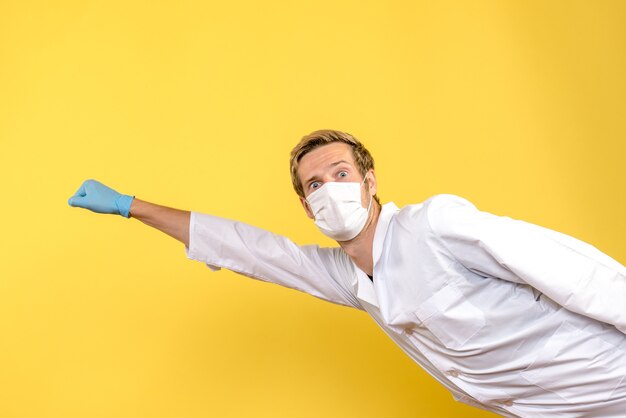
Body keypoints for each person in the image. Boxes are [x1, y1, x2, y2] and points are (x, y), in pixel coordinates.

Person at [68, 129, 626, 417]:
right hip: (551, 409)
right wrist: (132, 206)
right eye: (314, 185)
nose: (329, 188)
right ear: (307, 208)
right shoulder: (350, 278)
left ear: (370, 181)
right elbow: (256, 251)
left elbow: (575, 272)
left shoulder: (436, 225)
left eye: (340, 172)